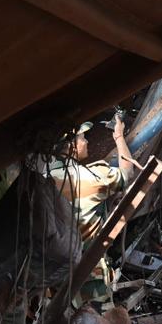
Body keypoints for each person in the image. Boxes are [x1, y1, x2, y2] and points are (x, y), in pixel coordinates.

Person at [46, 117, 138, 304]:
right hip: (88, 277)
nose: (87, 141)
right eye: (82, 138)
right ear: (70, 146)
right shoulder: (92, 179)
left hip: (51, 277)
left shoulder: (43, 181)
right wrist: (119, 136)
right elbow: (127, 173)